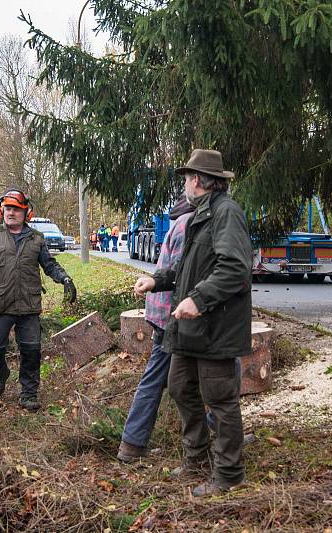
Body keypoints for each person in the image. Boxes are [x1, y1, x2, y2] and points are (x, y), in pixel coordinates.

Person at [133, 149, 252, 497]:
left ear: (198, 180)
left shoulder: (225, 213)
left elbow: (234, 270)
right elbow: (189, 268)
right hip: (190, 329)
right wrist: (158, 280)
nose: (184, 184)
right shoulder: (201, 214)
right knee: (180, 385)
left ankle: (229, 473)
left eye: (186, 178)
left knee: (220, 398)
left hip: (216, 326)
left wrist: (199, 300)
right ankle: (196, 458)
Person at [0, 189, 77, 411]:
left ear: (26, 213)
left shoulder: (36, 239)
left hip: (28, 305)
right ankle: (1, 373)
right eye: (8, 209)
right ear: (2, 211)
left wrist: (65, 279)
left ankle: (28, 394)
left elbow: (50, 265)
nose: (11, 213)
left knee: (31, 350)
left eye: (16, 210)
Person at [117, 196, 196, 463]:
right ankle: (132, 444)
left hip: (163, 310)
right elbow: (182, 272)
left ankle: (132, 444)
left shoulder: (178, 221)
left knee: (167, 376)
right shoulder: (190, 223)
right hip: (173, 312)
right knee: (212, 374)